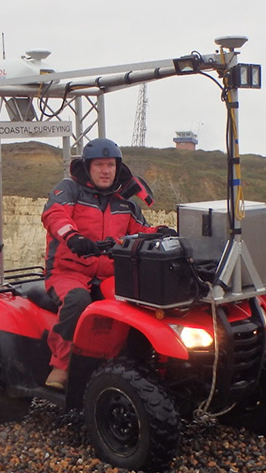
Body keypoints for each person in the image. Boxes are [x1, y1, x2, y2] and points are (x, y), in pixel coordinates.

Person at [41, 137, 175, 389]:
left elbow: (140, 229)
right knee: (77, 300)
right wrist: (73, 237)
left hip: (110, 273)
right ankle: (61, 366)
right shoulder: (69, 190)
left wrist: (161, 231)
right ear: (88, 167)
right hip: (68, 271)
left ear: (117, 168)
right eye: (100, 165)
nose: (106, 170)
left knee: (138, 304)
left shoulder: (124, 201)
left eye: (110, 165)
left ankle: (127, 363)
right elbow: (54, 215)